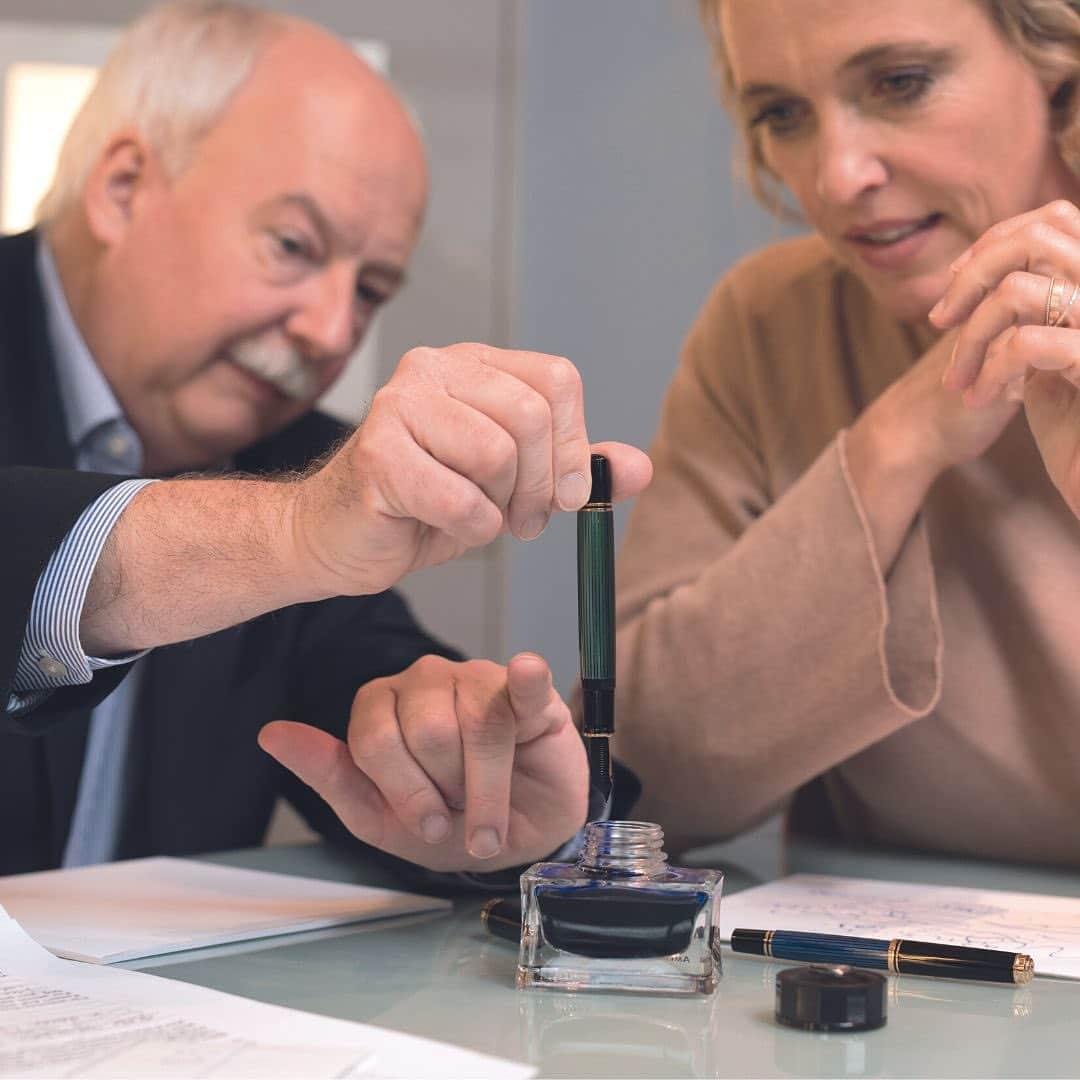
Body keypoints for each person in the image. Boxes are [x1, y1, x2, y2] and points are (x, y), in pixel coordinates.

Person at [0, 2, 651, 877]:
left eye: (372, 289)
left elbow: (375, 692)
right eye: (293, 245)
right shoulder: (302, 505)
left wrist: (485, 777)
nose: (330, 331)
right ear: (123, 187)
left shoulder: (297, 464)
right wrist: (289, 535)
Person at [612, 0, 1080, 866]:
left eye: (901, 83)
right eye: (782, 114)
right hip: (893, 980)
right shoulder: (770, 325)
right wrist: (898, 439)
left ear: (1056, 56)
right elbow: (641, 781)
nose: (835, 177)